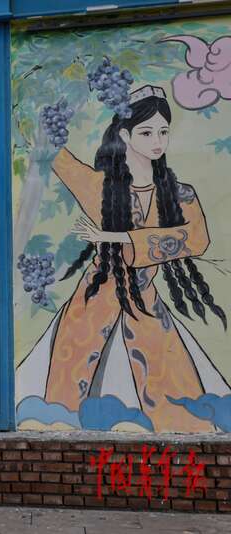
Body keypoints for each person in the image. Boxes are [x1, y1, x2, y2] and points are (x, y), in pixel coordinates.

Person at [16, 85, 229, 432]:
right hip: (93, 301)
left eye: (163, 132)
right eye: (146, 132)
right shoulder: (100, 187)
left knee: (174, 391)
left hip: (145, 304)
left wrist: (120, 237)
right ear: (126, 135)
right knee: (65, 394)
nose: (157, 141)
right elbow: (59, 158)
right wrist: (39, 112)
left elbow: (197, 239)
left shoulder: (179, 194)